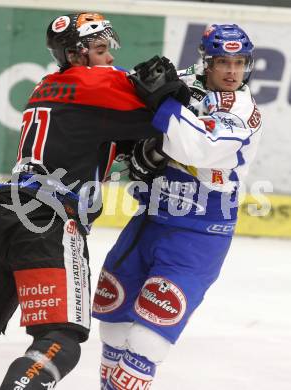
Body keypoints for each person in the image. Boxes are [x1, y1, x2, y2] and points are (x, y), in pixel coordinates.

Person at [0, 13, 190, 390]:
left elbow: (104, 134)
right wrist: (186, 88)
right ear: (78, 56)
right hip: (47, 225)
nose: (109, 59)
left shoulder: (46, 86)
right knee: (61, 341)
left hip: (2, 217)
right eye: (100, 50)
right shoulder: (95, 82)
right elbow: (171, 113)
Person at [92, 24, 262, 389]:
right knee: (112, 322)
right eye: (222, 62)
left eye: (240, 62)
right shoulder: (185, 80)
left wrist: (163, 105)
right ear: (206, 62)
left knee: (146, 343)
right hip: (150, 220)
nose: (232, 71)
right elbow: (133, 90)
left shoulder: (244, 110)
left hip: (199, 235)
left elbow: (199, 146)